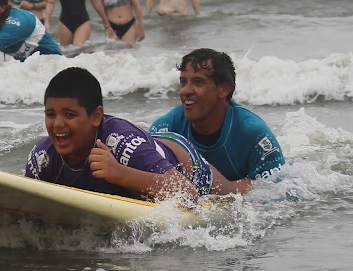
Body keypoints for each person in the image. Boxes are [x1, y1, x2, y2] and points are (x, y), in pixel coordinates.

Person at [25, 67, 238, 202]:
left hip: (186, 164)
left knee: (234, 194)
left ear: (96, 116)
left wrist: (119, 173)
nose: (58, 124)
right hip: (151, 146)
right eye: (50, 114)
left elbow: (186, 193)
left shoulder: (122, 144)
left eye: (69, 115)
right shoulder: (42, 158)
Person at [150, 48, 285, 193]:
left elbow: (279, 189)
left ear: (224, 89)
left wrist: (228, 192)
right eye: (183, 82)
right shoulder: (166, 129)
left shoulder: (252, 133)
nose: (185, 91)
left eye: (198, 82)